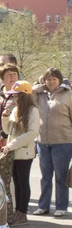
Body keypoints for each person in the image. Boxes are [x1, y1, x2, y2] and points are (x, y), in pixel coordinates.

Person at [0, 81, 38, 226]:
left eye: (16, 95)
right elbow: (8, 129)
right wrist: (5, 117)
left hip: (23, 152)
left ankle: (22, 212)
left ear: (24, 96)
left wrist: (11, 145)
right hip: (13, 151)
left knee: (22, 182)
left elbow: (32, 133)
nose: (14, 98)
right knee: (15, 182)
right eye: (13, 96)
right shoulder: (16, 110)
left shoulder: (32, 110)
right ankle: (17, 210)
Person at [32, 67, 72, 217]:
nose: (51, 82)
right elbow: (29, 94)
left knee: (60, 176)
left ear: (60, 80)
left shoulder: (68, 94)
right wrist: (41, 86)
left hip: (63, 141)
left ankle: (61, 206)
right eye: (48, 79)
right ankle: (43, 206)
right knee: (45, 176)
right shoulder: (41, 95)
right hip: (43, 141)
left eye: (54, 79)